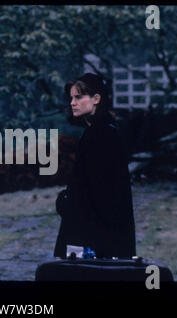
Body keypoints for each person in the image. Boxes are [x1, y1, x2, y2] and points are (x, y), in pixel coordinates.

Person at [54, 73, 136, 259]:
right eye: (71, 98)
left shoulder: (100, 135)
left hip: (93, 231)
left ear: (96, 98)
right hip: (98, 227)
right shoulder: (102, 131)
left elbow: (99, 190)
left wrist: (67, 201)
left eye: (79, 97)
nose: (72, 103)